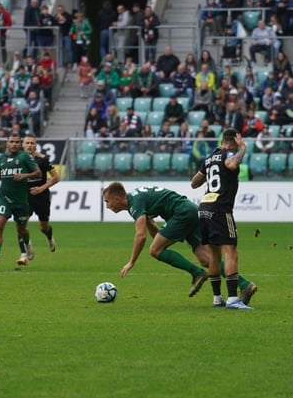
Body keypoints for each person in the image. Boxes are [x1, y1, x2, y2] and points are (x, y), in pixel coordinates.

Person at [101, 181, 257, 303]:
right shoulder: (136, 201)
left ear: (116, 198)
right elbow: (153, 229)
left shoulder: (135, 203)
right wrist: (162, 237)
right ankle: (245, 285)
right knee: (206, 259)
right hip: (189, 211)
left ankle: (196, 273)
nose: (107, 206)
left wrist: (131, 262)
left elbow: (140, 236)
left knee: (154, 251)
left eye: (107, 201)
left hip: (182, 213)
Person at [190, 129, 253, 309]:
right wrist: (243, 149)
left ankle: (217, 298)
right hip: (220, 209)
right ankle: (233, 299)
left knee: (214, 254)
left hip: (204, 208)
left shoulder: (209, 158)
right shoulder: (229, 153)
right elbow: (232, 166)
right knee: (231, 252)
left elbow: (194, 183)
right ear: (234, 140)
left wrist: (207, 174)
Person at [0, 133, 42, 267]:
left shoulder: (25, 157)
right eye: (12, 141)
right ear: (7, 143)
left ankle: (27, 243)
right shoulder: (2, 158)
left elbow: (38, 173)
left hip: (20, 200)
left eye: (17, 142)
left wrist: (24, 176)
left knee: (21, 229)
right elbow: (0, 174)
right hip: (4, 197)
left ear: (20, 144)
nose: (14, 144)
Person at [24, 134, 59, 253]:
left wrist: (41, 188)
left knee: (43, 227)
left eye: (32, 143)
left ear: (35, 145)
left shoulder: (42, 159)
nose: (29, 145)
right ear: (23, 144)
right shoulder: (18, 160)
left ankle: (49, 238)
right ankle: (27, 249)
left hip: (41, 197)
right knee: (21, 224)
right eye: (27, 143)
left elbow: (56, 177)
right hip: (25, 197)